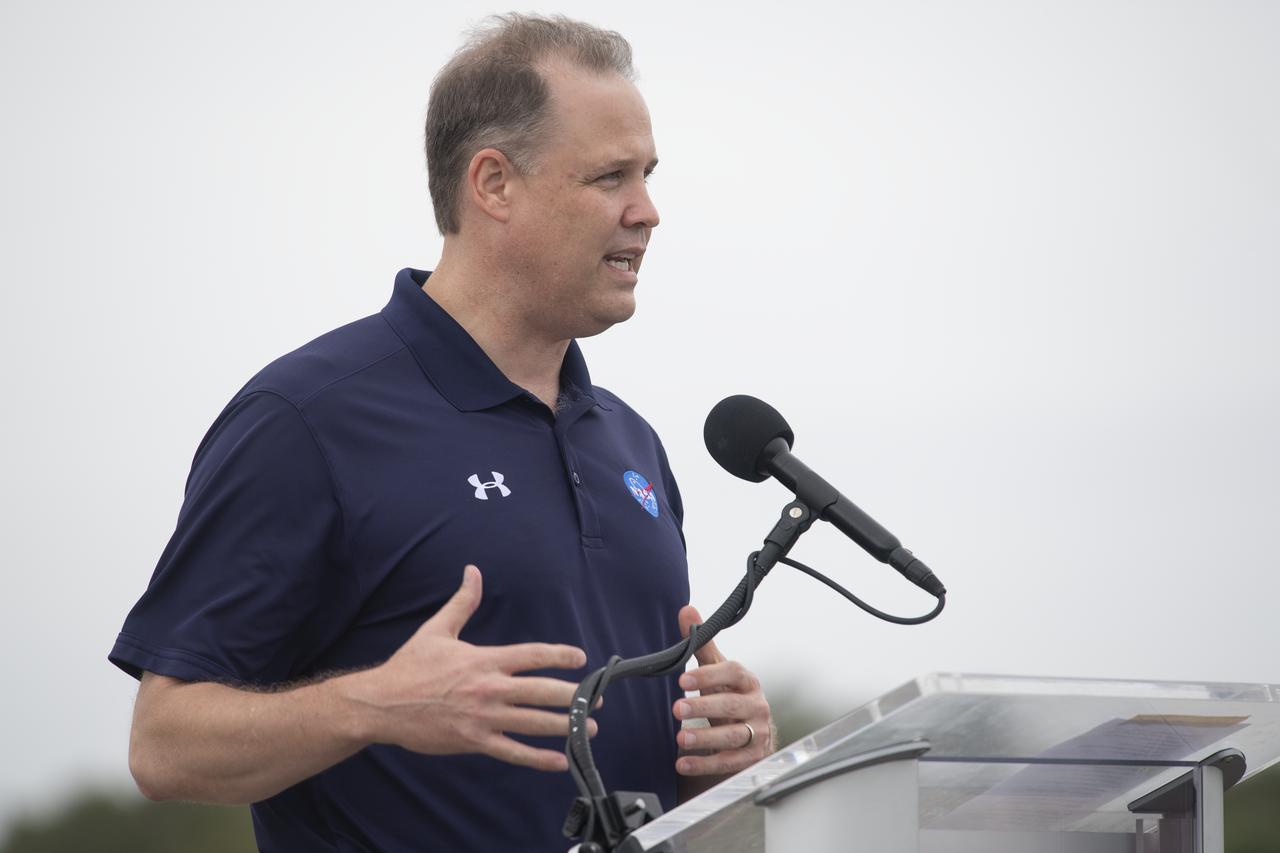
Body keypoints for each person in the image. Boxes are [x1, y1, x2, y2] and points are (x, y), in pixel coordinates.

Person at [110, 13, 774, 852]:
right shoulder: (308, 420)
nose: (648, 211)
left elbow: (642, 784)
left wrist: (723, 758)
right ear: (492, 184)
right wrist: (375, 703)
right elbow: (163, 745)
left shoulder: (632, 446)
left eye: (646, 173)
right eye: (610, 177)